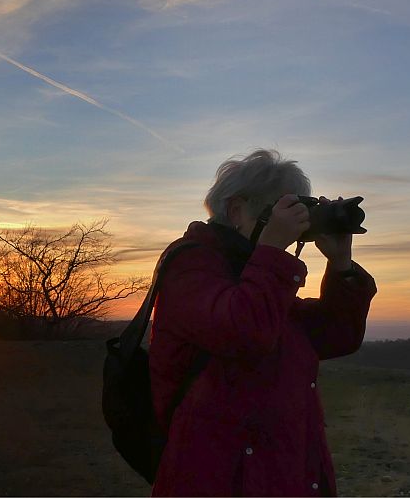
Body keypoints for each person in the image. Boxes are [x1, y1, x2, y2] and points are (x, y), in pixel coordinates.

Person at [148, 149, 377, 497]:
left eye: (301, 208)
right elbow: (244, 333)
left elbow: (336, 337)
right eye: (284, 208)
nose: (296, 219)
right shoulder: (192, 266)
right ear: (237, 210)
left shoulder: (259, 275)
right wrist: (272, 250)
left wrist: (341, 264)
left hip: (288, 470)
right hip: (218, 478)